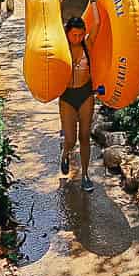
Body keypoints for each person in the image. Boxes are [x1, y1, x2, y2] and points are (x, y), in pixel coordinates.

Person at [58, 15, 97, 192]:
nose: (78, 38)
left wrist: (93, 1)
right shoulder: (61, 46)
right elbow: (54, 23)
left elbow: (96, 23)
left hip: (85, 94)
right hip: (67, 96)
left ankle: (86, 175)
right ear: (67, 34)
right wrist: (59, 0)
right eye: (74, 35)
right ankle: (65, 155)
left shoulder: (86, 46)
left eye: (81, 34)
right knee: (71, 139)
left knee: (84, 136)